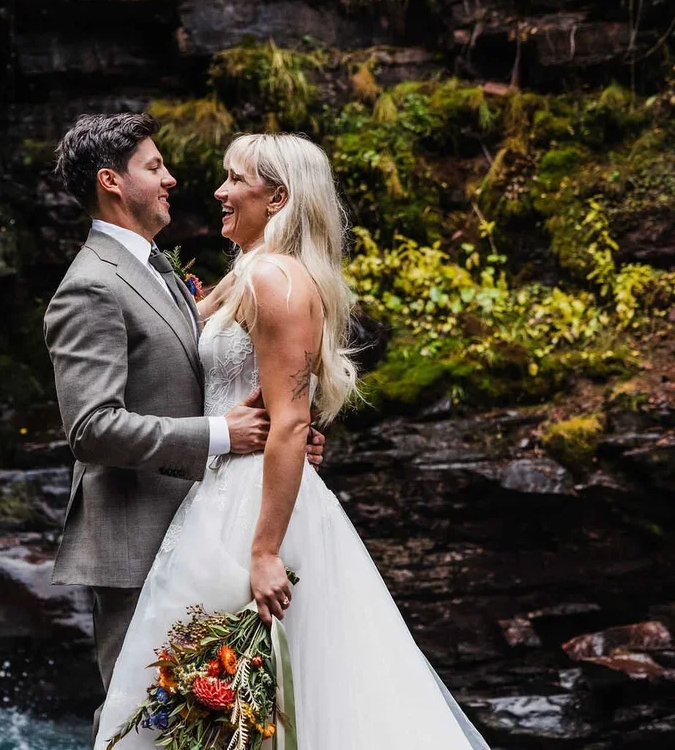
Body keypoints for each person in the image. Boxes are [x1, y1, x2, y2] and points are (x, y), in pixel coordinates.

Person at [93, 132, 491, 750]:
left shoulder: (275, 280)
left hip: (251, 510)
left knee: (263, 699)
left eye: (235, 179)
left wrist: (265, 552)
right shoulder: (248, 274)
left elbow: (291, 421)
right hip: (220, 490)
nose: (219, 192)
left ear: (276, 197)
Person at [43, 114, 327, 737]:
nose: (173, 179)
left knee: (223, 724)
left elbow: (215, 372)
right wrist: (228, 435)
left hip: (207, 523)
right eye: (154, 167)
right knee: (139, 723)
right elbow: (91, 428)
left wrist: (285, 429)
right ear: (111, 182)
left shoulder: (160, 270)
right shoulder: (89, 287)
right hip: (137, 535)